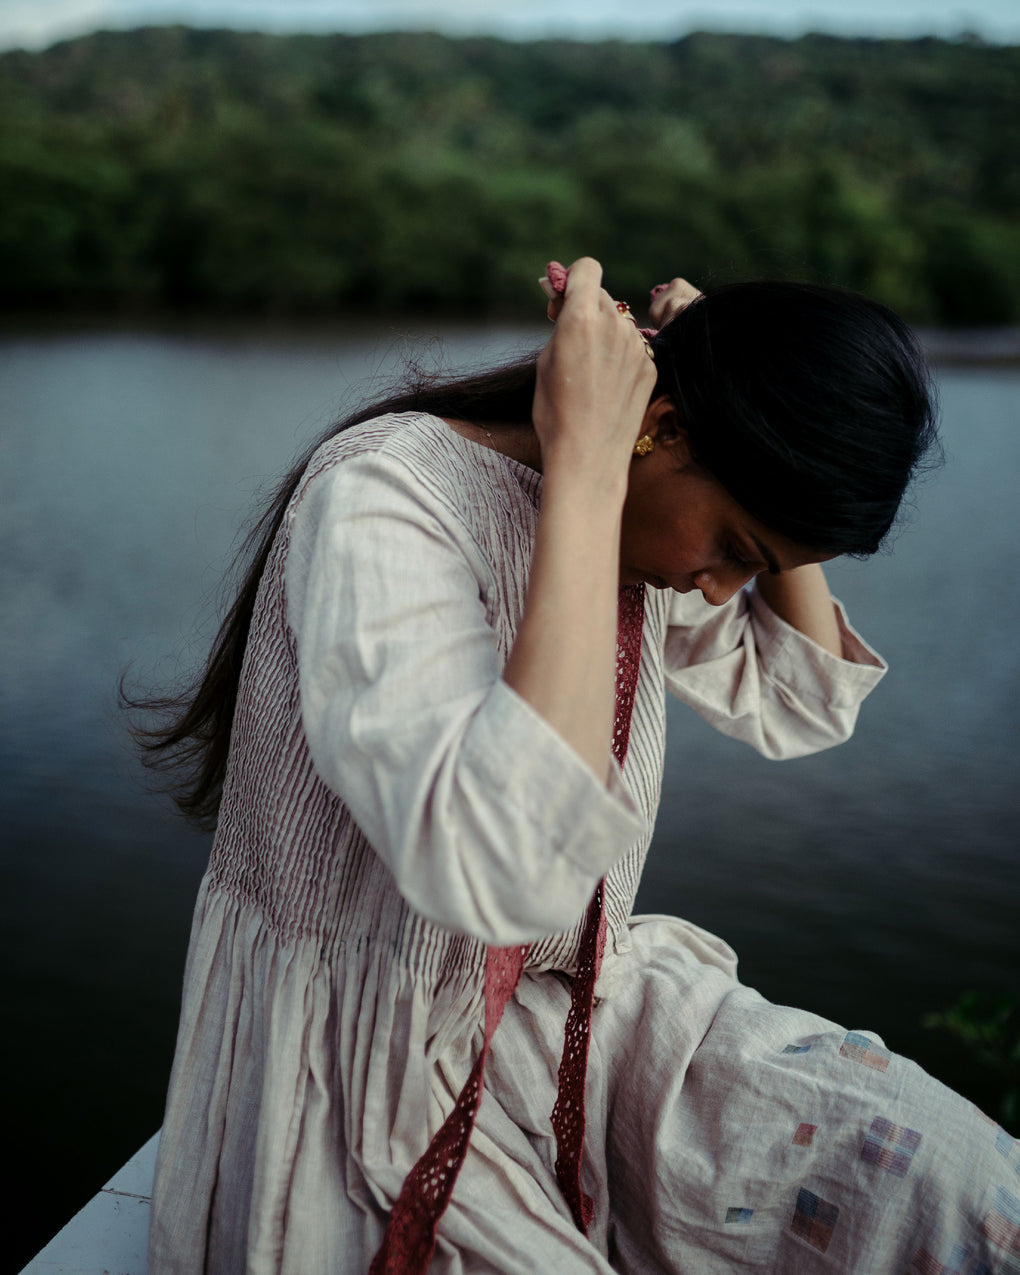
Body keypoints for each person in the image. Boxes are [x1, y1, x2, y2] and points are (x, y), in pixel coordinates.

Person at [140, 259, 1016, 1273]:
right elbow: (497, 872)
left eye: (756, 572)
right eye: (733, 546)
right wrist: (590, 472)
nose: (718, 588)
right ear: (661, 429)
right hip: (365, 1060)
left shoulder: (639, 527)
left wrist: (721, 417)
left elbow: (798, 701)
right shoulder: (390, 496)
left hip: (561, 1010)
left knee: (958, 1187)